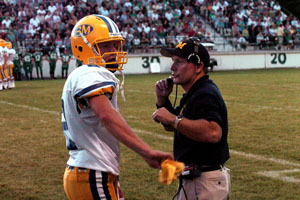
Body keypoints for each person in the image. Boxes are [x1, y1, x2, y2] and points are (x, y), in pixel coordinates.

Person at [61, 15, 173, 200]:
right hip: (91, 172)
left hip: (92, 170)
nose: (113, 51)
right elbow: (106, 115)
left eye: (115, 45)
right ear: (82, 46)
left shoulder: (83, 74)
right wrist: (146, 152)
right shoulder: (89, 73)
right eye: (105, 46)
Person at [152, 37, 230, 200]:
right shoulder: (195, 92)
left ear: (198, 67)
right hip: (197, 180)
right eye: (173, 61)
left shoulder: (205, 94)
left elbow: (214, 132)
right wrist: (162, 100)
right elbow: (174, 126)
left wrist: (174, 119)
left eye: (179, 62)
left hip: (204, 182)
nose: (172, 67)